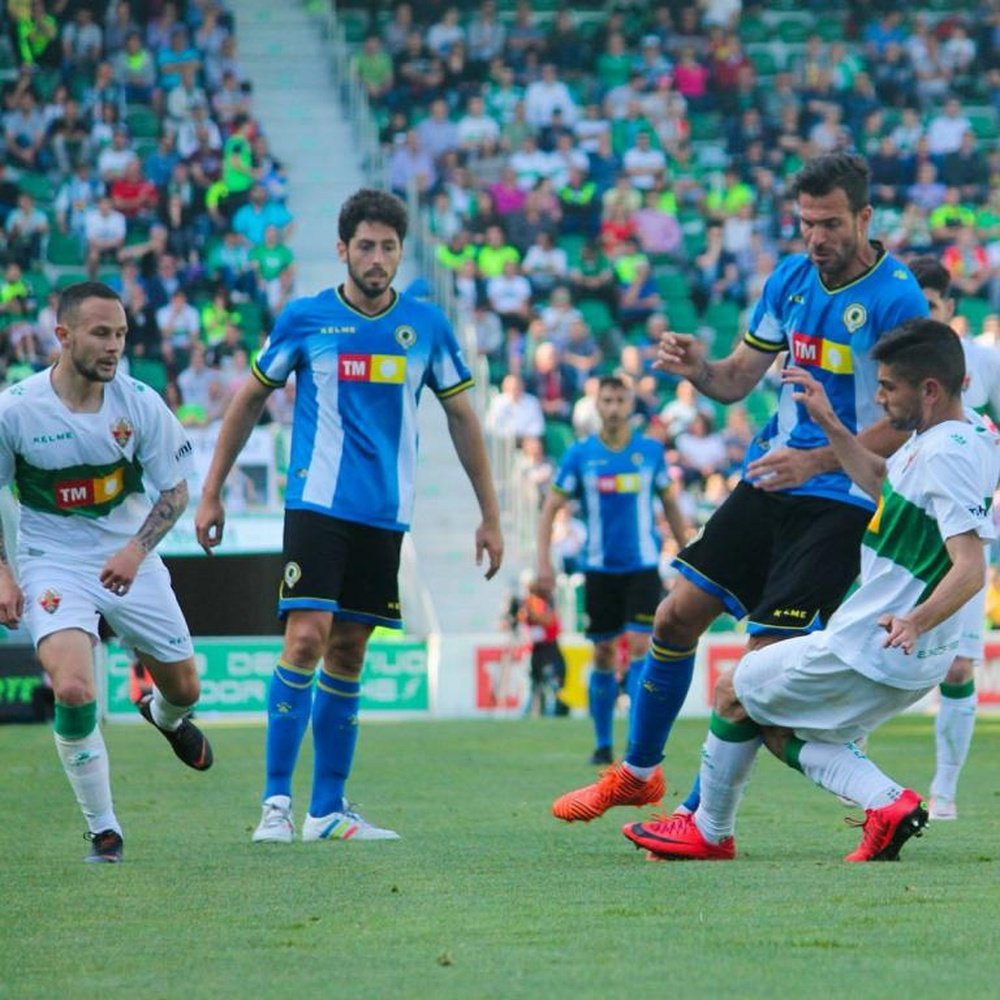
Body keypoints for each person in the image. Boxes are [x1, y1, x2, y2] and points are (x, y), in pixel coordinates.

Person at [550, 152, 929, 824]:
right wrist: (699, 368)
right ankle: (638, 775)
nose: (817, 238)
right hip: (770, 484)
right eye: (807, 223)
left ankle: (699, 817)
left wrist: (816, 464)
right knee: (673, 617)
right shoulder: (789, 279)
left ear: (866, 219)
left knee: (758, 675)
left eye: (832, 224)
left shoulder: (897, 298)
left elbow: (906, 420)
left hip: (840, 501)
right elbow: (734, 380)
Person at [623, 320, 1000, 861]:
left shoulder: (946, 454)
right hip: (906, 656)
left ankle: (708, 830)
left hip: (875, 644)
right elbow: (885, 487)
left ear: (931, 390)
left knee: (735, 691)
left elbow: (969, 568)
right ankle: (888, 804)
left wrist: (915, 619)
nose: (878, 396)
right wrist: (830, 423)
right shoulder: (972, 435)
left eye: (889, 386)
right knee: (775, 722)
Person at [194, 189, 503, 844]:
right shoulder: (307, 320)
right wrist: (212, 489)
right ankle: (275, 805)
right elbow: (250, 399)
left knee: (351, 650)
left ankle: (327, 811)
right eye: (366, 245)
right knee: (306, 636)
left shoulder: (426, 327)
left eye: (389, 246)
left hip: (384, 517)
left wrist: (490, 514)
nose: (377, 258)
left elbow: (461, 418)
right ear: (343, 250)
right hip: (316, 504)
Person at [0, 282, 213, 864]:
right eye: (100, 333)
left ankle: (164, 718)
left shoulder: (141, 402)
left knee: (185, 688)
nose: (114, 345)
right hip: (53, 562)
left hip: (130, 558)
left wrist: (134, 552)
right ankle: (104, 830)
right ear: (62, 336)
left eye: (120, 333)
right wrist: (5, 573)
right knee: (72, 688)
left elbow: (174, 491)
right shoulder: (15, 410)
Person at [537, 376, 688, 765]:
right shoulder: (580, 454)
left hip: (641, 566)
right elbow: (551, 507)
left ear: (631, 405)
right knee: (603, 652)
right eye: (608, 400)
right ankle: (603, 743)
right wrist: (543, 560)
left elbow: (670, 505)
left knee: (640, 647)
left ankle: (638, 744)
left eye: (621, 399)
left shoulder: (651, 452)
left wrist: (689, 555)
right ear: (597, 405)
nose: (615, 407)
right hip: (599, 568)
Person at [907, 256, 1000, 820]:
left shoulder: (983, 362)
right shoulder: (892, 364)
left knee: (959, 667)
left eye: (932, 306)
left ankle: (944, 790)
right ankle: (852, 764)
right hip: (901, 533)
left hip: (963, 526)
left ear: (950, 308)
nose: (923, 316)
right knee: (869, 645)